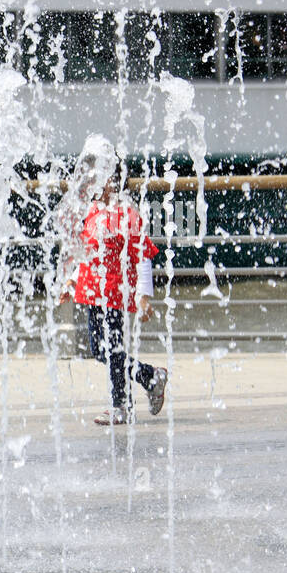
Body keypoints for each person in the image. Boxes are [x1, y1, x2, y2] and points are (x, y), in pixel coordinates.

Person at [60, 174, 168, 426]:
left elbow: (142, 256)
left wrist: (143, 296)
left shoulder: (126, 214)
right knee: (101, 351)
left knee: (112, 350)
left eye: (103, 178)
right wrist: (72, 281)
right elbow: (90, 252)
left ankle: (121, 405)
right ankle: (150, 376)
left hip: (113, 292)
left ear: (116, 182)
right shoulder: (95, 210)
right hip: (92, 291)